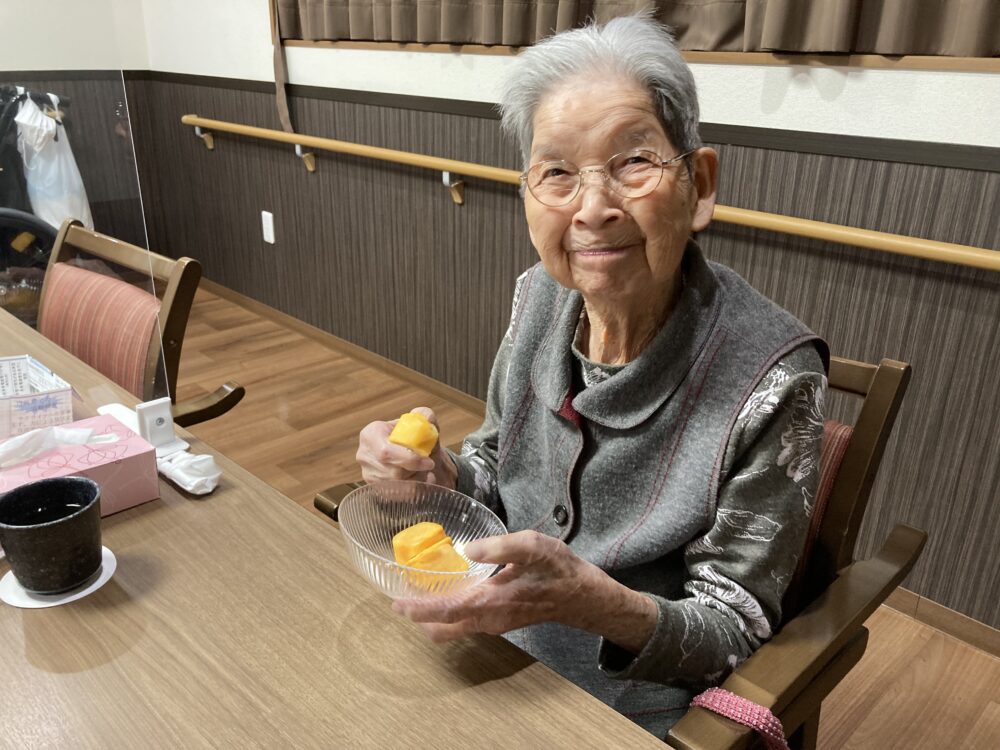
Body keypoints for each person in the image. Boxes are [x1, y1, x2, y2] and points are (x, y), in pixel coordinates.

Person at [357, 14, 827, 739]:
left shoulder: (777, 379)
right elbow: (495, 462)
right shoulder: (539, 295)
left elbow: (733, 631)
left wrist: (590, 601)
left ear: (698, 185)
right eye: (557, 173)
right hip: (484, 648)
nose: (593, 207)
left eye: (633, 162)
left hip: (626, 711)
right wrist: (441, 476)